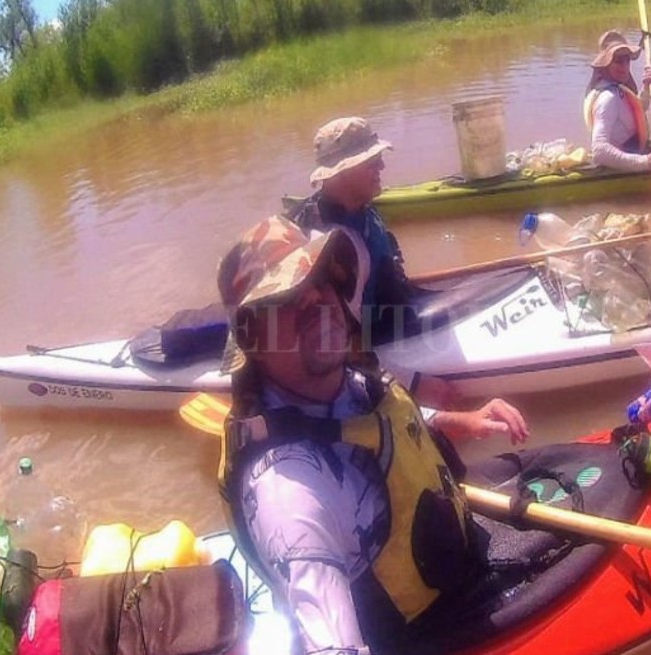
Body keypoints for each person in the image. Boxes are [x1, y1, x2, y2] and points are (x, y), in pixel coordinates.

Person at [214, 214, 530, 654]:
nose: (315, 299)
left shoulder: (345, 378)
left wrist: (456, 420)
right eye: (285, 299)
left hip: (457, 562)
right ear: (254, 343)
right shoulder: (289, 491)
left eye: (319, 280)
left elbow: (377, 422)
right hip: (422, 635)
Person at [286, 116, 420, 347]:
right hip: (367, 345)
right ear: (341, 172)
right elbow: (321, 334)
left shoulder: (365, 210)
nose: (382, 166)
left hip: (397, 318)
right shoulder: (314, 239)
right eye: (372, 161)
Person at [584, 29, 651, 172]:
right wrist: (646, 161)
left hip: (633, 151)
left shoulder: (617, 89)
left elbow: (636, 111)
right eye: (618, 61)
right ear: (606, 64)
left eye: (627, 60)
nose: (625, 66)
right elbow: (599, 151)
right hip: (622, 164)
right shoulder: (608, 98)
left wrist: (646, 88)